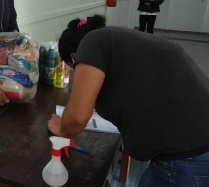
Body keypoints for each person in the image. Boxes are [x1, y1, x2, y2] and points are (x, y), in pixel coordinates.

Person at [48, 15, 209, 187]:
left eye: (74, 68)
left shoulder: (91, 42)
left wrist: (62, 130)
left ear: (75, 57)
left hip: (187, 157)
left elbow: (76, 119)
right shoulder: (116, 38)